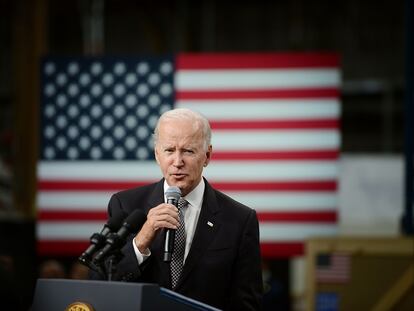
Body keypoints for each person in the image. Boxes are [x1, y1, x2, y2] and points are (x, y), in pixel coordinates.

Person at [90, 108, 263, 310]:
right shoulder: (125, 205)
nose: (178, 162)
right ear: (157, 154)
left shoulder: (240, 219)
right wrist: (141, 242)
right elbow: (100, 280)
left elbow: (247, 304)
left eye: (188, 151)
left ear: (207, 156)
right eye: (169, 150)